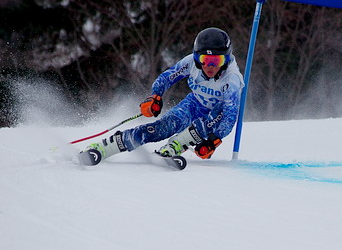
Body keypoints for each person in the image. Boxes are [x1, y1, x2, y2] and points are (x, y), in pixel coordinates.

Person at [80, 27, 244, 165]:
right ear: (196, 58)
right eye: (205, 59)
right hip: (194, 104)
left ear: (226, 59)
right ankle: (105, 147)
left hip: (217, 112)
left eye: (217, 60)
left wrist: (213, 140)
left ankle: (175, 146)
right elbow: (166, 77)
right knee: (162, 128)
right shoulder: (190, 63)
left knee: (209, 121)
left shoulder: (232, 79)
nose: (210, 66)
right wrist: (155, 96)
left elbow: (229, 117)